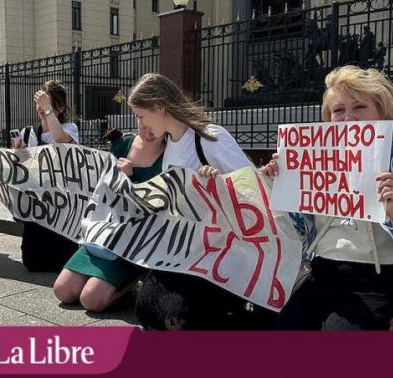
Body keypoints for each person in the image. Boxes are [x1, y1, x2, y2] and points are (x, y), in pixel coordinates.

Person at [261, 66, 393, 330]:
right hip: (319, 273)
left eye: (359, 107)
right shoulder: (313, 158)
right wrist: (277, 181)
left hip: (374, 279)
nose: (348, 119)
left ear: (383, 111)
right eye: (338, 110)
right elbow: (290, 230)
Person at [125, 73, 260, 330]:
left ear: (159, 107)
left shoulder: (209, 137)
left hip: (221, 253)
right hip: (187, 251)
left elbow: (253, 188)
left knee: (177, 319)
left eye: (141, 115)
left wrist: (219, 186)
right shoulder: (170, 146)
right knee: (145, 310)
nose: (140, 124)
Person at [54, 124, 165, 312]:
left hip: (133, 243)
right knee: (62, 291)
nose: (148, 130)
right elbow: (102, 188)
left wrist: (131, 181)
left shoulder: (171, 155)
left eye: (152, 122)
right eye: (141, 119)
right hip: (104, 234)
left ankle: (132, 280)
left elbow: (159, 206)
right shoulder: (123, 144)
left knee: (91, 300)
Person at [12, 80, 80, 272]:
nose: (41, 108)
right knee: (32, 262)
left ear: (59, 106)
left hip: (61, 204)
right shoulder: (29, 133)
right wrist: (20, 154)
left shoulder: (69, 129)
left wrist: (48, 110)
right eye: (39, 103)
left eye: (47, 103)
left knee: (62, 263)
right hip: (37, 206)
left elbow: (59, 140)